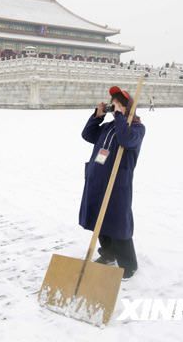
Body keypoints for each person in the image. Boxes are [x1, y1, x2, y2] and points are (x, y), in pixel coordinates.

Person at [79, 86, 146, 279]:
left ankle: (128, 265)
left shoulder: (136, 128)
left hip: (117, 182)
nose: (113, 105)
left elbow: (126, 140)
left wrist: (119, 117)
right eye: (112, 102)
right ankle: (108, 254)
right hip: (97, 178)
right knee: (98, 217)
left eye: (118, 103)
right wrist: (98, 116)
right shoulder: (108, 126)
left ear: (127, 107)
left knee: (117, 221)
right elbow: (87, 135)